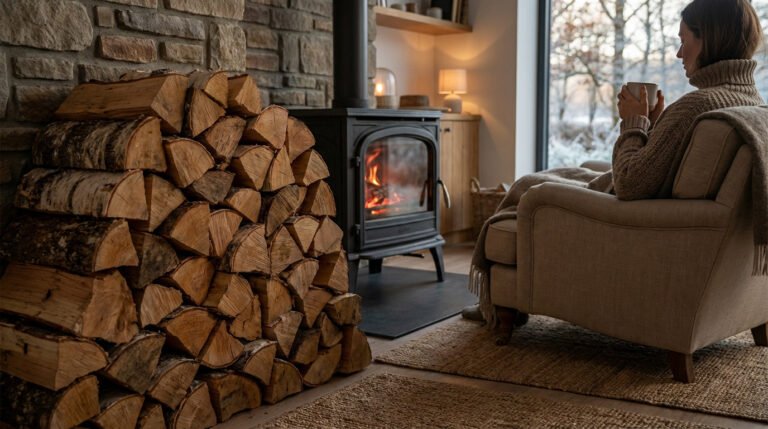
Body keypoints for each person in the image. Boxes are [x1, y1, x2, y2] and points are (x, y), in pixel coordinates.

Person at [463, 0, 766, 328]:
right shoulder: (752, 103)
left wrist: (633, 122)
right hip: (666, 214)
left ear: (709, 38)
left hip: (630, 212)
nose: (679, 54)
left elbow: (630, 183)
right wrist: (655, 126)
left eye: (684, 41)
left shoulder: (698, 103)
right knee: (568, 170)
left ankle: (496, 303)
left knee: (527, 185)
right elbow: (666, 162)